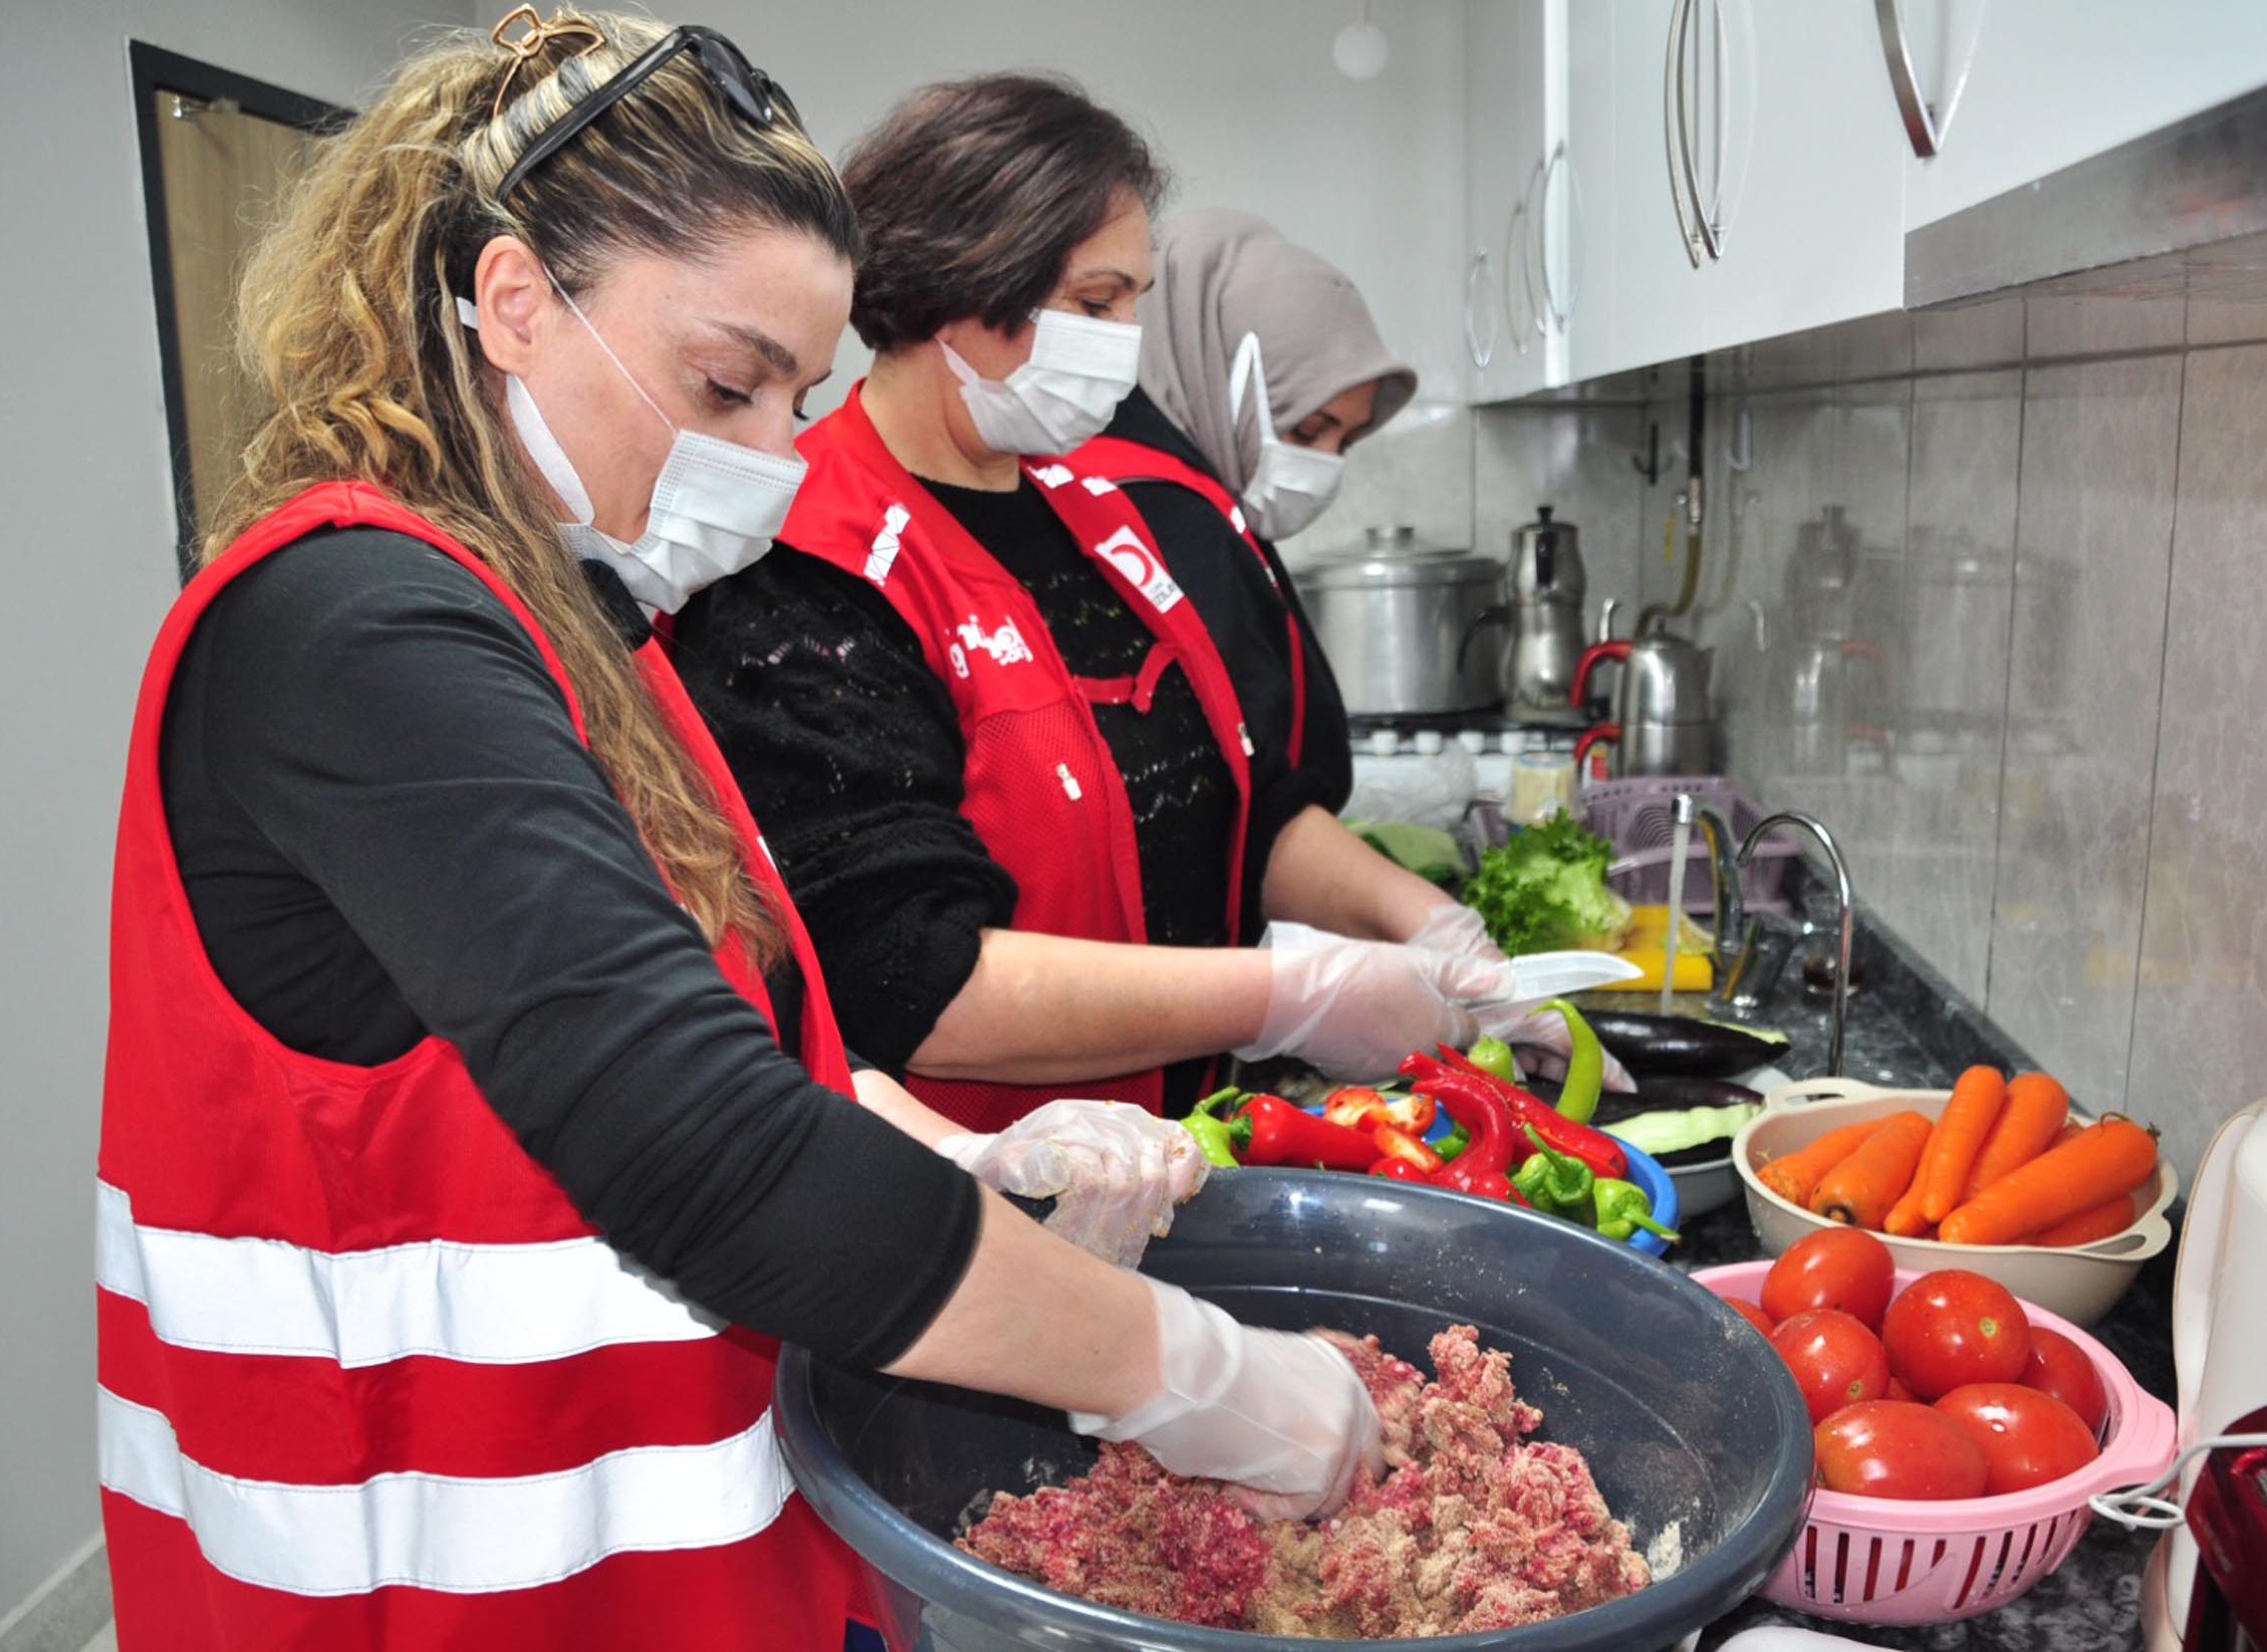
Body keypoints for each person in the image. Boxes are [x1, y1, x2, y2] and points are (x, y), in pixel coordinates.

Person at [96, 16, 1377, 1648]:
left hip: (680, 1569)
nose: (778, 456)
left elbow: (682, 1035)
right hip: (438, 1585)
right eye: (727, 381)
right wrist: (1198, 1373)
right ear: (510, 302)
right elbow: (701, 1144)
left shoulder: (580, 629)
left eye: (798, 392)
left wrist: (943, 1147)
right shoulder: (354, 633)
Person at [673, 76, 1551, 1135]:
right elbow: (907, 976)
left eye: (1135, 298)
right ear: (966, 284)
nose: (1127, 340)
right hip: (997, 1190)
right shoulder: (807, 562)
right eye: (1096, 304)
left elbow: (1241, 806)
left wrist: (1425, 921)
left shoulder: (1105, 517)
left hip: (1187, 1152)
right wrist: (1283, 995)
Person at [1080, 205, 1415, 817]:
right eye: (1307, 429)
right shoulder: (1159, 513)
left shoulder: (1195, 501)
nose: (1325, 466)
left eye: (1346, 441)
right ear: (1218, 374)